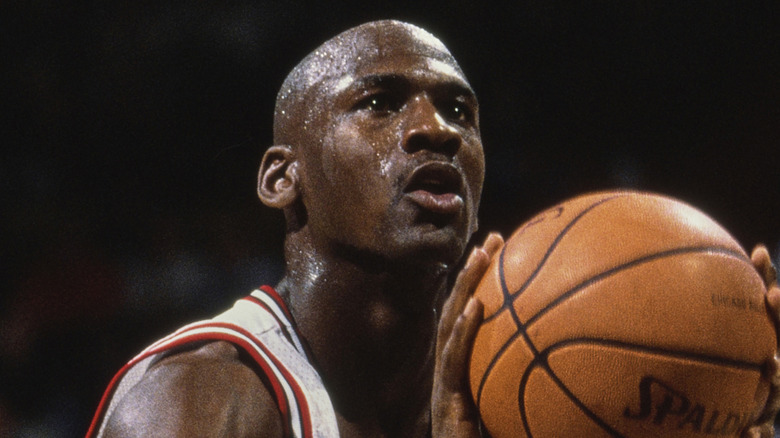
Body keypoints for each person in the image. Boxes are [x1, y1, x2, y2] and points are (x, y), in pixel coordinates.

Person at [86, 19, 780, 437]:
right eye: (380, 103)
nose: (434, 129)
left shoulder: (535, 393)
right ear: (281, 179)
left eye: (460, 112)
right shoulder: (195, 402)